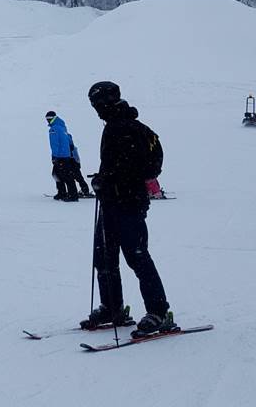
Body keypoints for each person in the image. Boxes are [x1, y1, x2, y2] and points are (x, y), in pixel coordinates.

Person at [81, 81, 174, 337]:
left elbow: (135, 168)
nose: (97, 109)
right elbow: (117, 165)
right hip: (111, 202)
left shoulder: (128, 128)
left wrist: (107, 179)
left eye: (98, 104)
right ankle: (113, 307)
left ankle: (159, 311)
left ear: (109, 101)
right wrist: (103, 179)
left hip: (129, 203)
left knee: (137, 256)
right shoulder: (113, 127)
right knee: (104, 256)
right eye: (94, 105)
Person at [46, 110, 79, 201]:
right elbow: (69, 139)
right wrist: (71, 149)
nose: (48, 121)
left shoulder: (54, 129)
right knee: (59, 174)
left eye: (49, 119)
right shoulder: (62, 127)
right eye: (47, 119)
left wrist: (54, 156)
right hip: (66, 155)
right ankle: (63, 193)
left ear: (54, 118)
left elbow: (55, 144)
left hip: (60, 156)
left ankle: (71, 195)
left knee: (62, 175)